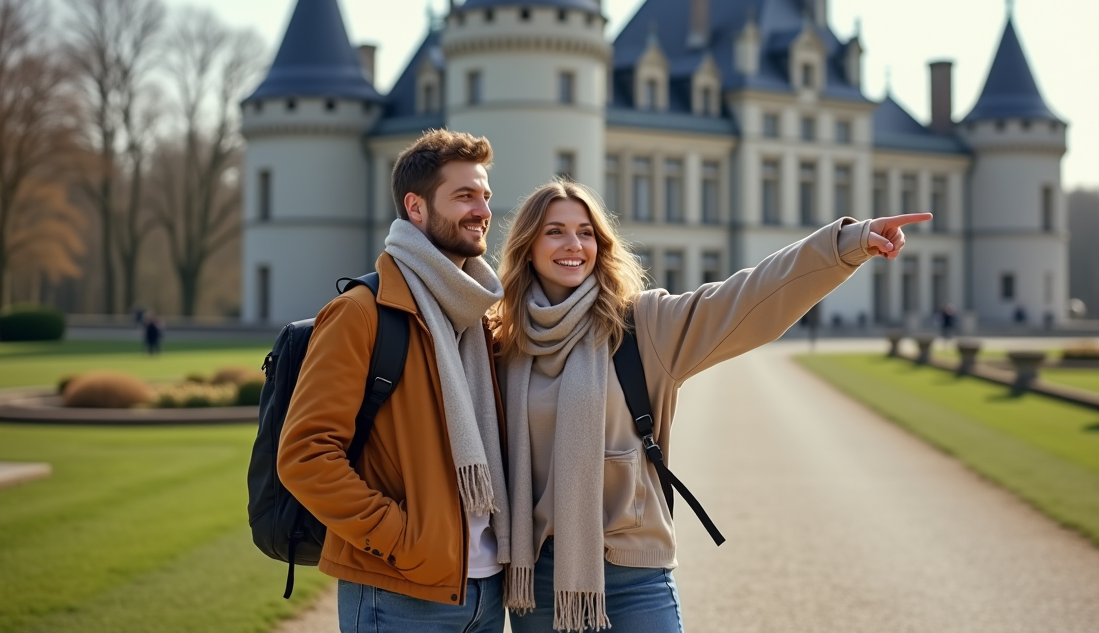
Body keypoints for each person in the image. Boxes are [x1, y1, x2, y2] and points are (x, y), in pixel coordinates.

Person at [491, 179, 930, 632]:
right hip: (539, 580)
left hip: (633, 576)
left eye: (585, 232)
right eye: (555, 231)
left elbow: (748, 297)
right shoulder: (503, 344)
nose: (574, 244)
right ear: (528, 247)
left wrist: (845, 244)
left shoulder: (643, 325)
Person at [278, 130, 509, 633]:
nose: (483, 210)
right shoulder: (360, 313)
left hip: (487, 592)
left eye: (485, 195)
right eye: (465, 195)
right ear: (416, 207)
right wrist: (403, 541)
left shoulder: (479, 317)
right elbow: (305, 456)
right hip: (398, 595)